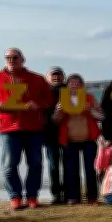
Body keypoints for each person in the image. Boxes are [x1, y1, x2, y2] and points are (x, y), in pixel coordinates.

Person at [0, 48, 53, 210]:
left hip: (33, 127)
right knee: (9, 164)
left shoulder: (37, 79)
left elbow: (48, 100)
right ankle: (15, 197)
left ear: (23, 59)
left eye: (15, 57)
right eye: (8, 57)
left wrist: (38, 105)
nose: (11, 60)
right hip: (8, 128)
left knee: (35, 164)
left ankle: (32, 196)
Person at [53, 74, 105, 204]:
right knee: (71, 171)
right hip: (69, 141)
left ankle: (92, 197)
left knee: (90, 170)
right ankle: (73, 196)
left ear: (82, 85)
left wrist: (91, 110)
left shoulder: (89, 98)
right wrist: (58, 112)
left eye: (77, 83)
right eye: (71, 83)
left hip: (89, 140)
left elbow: (101, 116)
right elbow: (55, 121)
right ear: (67, 85)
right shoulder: (62, 99)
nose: (74, 85)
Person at [44, 66, 67, 204]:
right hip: (50, 135)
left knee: (68, 165)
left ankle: (69, 192)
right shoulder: (44, 92)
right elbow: (42, 115)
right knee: (53, 166)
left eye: (59, 75)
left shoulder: (70, 91)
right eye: (53, 75)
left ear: (63, 77)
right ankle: (56, 194)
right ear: (48, 77)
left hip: (68, 134)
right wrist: (54, 116)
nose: (56, 77)